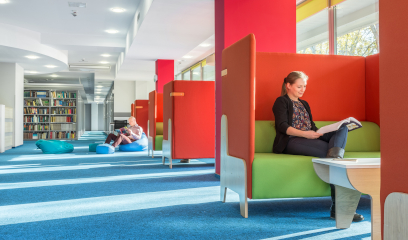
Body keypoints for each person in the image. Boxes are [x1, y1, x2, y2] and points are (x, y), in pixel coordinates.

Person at [272, 71, 364, 222]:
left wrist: (318, 132)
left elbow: (311, 126)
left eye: (305, 86)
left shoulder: (304, 103)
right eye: (299, 86)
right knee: (335, 159)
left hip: (310, 136)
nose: (303, 89)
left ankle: (336, 160)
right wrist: (306, 134)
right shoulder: (281, 101)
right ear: (288, 85)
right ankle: (340, 208)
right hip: (292, 140)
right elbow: (282, 126)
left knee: (342, 128)